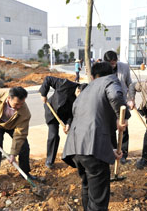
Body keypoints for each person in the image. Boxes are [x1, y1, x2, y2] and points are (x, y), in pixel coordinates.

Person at [62, 62, 130, 210]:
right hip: (91, 150)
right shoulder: (110, 81)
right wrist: (121, 117)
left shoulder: (85, 90)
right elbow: (115, 95)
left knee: (87, 187)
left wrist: (109, 151)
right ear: (111, 72)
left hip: (75, 149)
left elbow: (88, 121)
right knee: (99, 199)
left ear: (93, 76)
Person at [39, 76, 88, 169]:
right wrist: (43, 94)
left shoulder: (79, 100)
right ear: (78, 91)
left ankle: (74, 158)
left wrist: (68, 124)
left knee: (74, 133)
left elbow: (72, 113)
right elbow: (48, 79)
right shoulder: (65, 84)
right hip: (52, 110)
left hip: (66, 115)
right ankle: (49, 160)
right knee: (53, 135)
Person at [104, 50, 132, 164]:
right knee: (111, 129)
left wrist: (130, 99)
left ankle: (123, 154)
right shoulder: (103, 69)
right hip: (108, 104)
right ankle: (114, 152)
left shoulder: (124, 67)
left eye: (114, 61)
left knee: (124, 129)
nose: (113, 64)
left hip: (122, 103)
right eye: (110, 62)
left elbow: (130, 84)